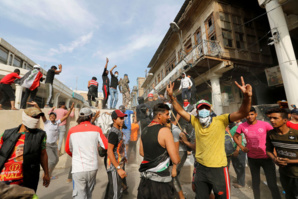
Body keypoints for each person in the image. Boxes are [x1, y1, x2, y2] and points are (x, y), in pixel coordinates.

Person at [167, 76, 252, 199]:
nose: (203, 110)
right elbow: (180, 111)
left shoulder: (221, 120)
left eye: (206, 108)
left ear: (210, 109)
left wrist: (247, 97)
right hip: (201, 169)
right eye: (200, 108)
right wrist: (171, 97)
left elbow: (242, 113)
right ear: (196, 111)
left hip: (219, 169)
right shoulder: (195, 121)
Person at [234, 107, 281, 199]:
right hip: (252, 159)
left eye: (252, 114)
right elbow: (236, 136)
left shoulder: (265, 124)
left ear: (256, 114)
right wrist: (242, 147)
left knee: (272, 184)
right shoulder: (242, 126)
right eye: (247, 115)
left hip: (266, 158)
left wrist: (274, 152)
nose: (249, 116)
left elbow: (274, 136)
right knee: (255, 183)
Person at [0, 104, 50, 192]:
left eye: (38, 117)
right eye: (34, 116)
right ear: (25, 116)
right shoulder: (7, 133)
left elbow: (43, 154)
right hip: (5, 179)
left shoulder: (40, 135)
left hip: (27, 179)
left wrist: (46, 173)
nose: (36, 119)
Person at [138, 103, 180, 199]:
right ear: (159, 115)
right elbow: (175, 159)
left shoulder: (144, 130)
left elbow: (142, 152)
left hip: (145, 181)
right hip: (161, 183)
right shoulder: (165, 131)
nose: (169, 117)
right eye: (167, 114)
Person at [65, 107, 108, 199]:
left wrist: (76, 155)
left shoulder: (72, 130)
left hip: (78, 168)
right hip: (93, 167)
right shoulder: (97, 129)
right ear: (90, 117)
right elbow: (105, 146)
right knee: (89, 194)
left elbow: (67, 149)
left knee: (80, 195)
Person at [34, 101, 74, 179]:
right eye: (51, 116)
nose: (52, 117)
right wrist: (37, 105)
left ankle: (49, 174)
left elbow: (66, 117)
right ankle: (46, 174)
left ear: (55, 118)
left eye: (53, 116)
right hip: (47, 145)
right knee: (52, 160)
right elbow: (42, 114)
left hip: (54, 145)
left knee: (56, 160)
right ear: (49, 117)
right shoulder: (46, 122)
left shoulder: (57, 122)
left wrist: (71, 109)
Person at [266, 108, 298, 199]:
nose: (272, 120)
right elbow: (268, 150)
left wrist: (289, 161)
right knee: (289, 195)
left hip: (296, 174)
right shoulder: (271, 134)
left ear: (285, 120)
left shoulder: (296, 134)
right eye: (271, 118)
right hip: (284, 174)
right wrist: (275, 159)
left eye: (275, 118)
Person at [104, 110, 128, 199]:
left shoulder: (118, 131)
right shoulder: (114, 132)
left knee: (117, 189)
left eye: (123, 118)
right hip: (114, 167)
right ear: (114, 119)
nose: (123, 120)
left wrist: (123, 157)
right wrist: (118, 168)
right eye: (120, 118)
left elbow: (118, 148)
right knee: (115, 193)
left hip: (118, 164)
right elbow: (109, 151)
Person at [228, 120, 246, 188]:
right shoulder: (231, 129)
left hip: (239, 150)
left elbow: (240, 138)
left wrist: (237, 150)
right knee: (236, 166)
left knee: (240, 166)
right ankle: (239, 180)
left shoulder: (235, 128)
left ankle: (241, 183)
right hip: (235, 150)